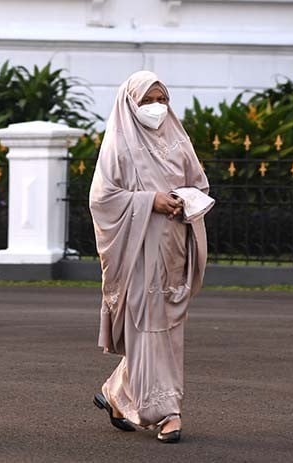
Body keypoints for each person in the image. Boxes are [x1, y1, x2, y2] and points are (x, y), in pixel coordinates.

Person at [89, 70, 209, 444]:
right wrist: (149, 201)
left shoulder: (178, 141)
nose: (156, 107)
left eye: (162, 100)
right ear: (130, 104)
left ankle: (117, 392)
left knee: (166, 332)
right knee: (147, 329)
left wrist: (182, 199)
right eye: (147, 100)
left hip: (173, 250)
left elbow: (199, 185)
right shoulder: (119, 146)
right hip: (137, 253)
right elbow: (102, 199)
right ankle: (167, 412)